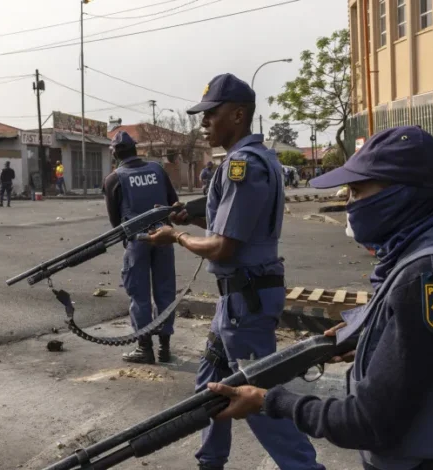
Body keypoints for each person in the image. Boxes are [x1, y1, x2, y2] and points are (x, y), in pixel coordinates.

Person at [204, 126, 433, 470]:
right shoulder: (431, 261)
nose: (348, 202)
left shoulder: (430, 276)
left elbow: (366, 423)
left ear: (403, 194)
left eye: (358, 190)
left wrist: (269, 401)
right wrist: (368, 339)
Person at [145, 73, 324, 470]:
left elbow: (225, 245)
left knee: (258, 399)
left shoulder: (243, 164)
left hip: (245, 301)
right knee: (209, 384)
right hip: (238, 297)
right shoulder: (252, 160)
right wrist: (192, 217)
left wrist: (175, 238)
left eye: (212, 114)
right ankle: (210, 462)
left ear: (238, 115)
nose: (204, 123)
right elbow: (231, 223)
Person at [102, 131, 179, 364]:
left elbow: (115, 222)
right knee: (165, 291)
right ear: (136, 149)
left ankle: (144, 348)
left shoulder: (114, 179)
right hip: (164, 236)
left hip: (138, 241)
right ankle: (165, 348)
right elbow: (172, 202)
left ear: (115, 153)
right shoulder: (157, 170)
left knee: (140, 295)